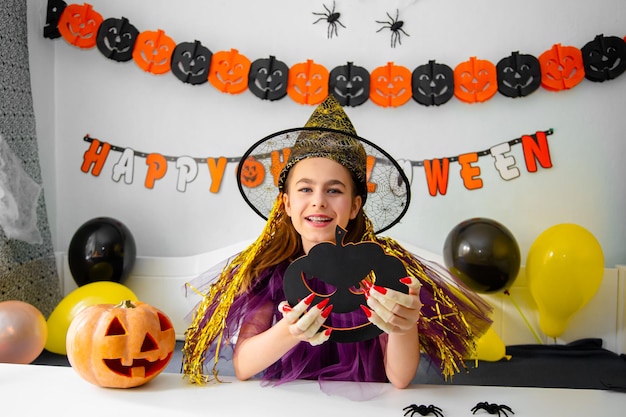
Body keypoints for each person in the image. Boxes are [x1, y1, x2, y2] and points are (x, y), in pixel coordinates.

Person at [182, 95, 492, 390]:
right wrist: (291, 330)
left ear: (355, 206)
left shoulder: (379, 270)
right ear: (287, 204)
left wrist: (403, 325)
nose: (318, 202)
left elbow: (399, 378)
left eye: (334, 190)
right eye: (305, 189)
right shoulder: (270, 272)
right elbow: (243, 366)